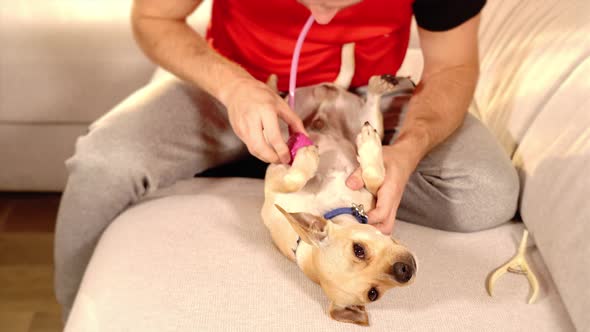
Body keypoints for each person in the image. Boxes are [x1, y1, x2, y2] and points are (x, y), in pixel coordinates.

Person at [55, 0, 519, 320]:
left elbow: (453, 67)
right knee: (103, 164)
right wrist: (234, 87)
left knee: (487, 192)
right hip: (239, 88)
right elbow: (154, 18)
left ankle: (314, 184)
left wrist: (408, 149)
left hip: (361, 102)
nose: (320, 14)